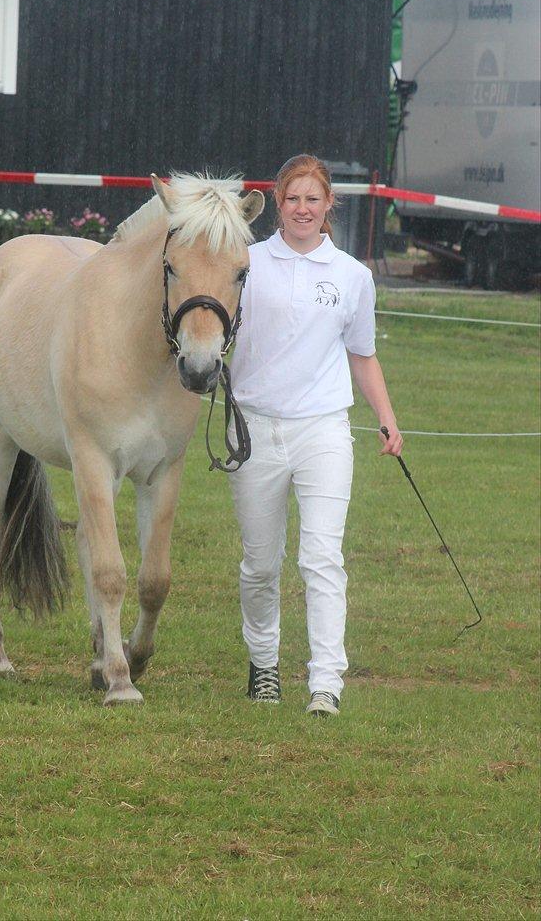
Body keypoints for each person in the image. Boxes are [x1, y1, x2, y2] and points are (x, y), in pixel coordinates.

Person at [228, 153, 403, 715]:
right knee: (260, 565)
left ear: (329, 204)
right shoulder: (245, 263)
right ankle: (264, 664)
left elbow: (363, 354)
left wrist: (387, 417)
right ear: (277, 204)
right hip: (253, 430)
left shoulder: (353, 275)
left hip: (323, 431)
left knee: (322, 557)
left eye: (312, 199)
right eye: (292, 198)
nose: (302, 209)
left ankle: (326, 682)